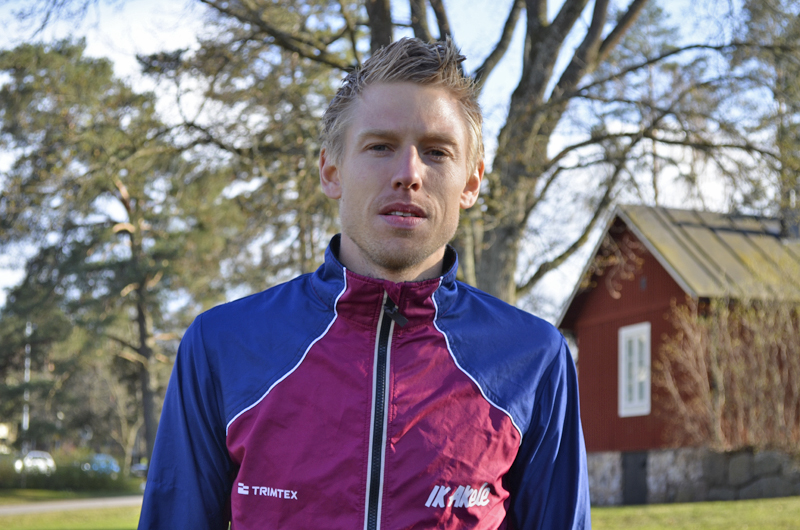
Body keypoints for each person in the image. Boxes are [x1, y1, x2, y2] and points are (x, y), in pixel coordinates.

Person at [138, 37, 591, 529]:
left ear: (471, 183)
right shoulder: (222, 345)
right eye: (380, 147)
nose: (408, 174)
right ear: (331, 171)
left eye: (437, 152)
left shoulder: (533, 358)